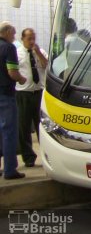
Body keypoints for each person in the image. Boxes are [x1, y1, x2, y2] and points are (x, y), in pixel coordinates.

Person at [16, 28, 47, 168]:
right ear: (22, 39)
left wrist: (38, 52)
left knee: (42, 124)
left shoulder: (39, 51)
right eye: (29, 38)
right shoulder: (17, 53)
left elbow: (46, 65)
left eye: (33, 38)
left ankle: (46, 153)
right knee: (24, 125)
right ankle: (28, 157)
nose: (32, 41)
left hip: (38, 92)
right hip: (23, 93)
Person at [0, 21, 27, 179]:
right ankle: (10, 170)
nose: (14, 36)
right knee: (9, 132)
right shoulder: (9, 48)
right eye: (14, 33)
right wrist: (22, 79)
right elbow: (12, 72)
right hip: (6, 94)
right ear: (8, 32)